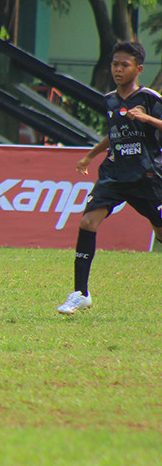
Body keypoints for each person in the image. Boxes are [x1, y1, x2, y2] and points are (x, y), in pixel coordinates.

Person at [57, 41, 162, 315]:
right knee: (87, 222)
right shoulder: (110, 100)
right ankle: (80, 293)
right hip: (114, 174)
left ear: (138, 69)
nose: (117, 69)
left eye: (124, 65)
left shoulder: (149, 98)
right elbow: (115, 132)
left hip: (146, 176)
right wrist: (91, 156)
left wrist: (148, 120)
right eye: (115, 64)